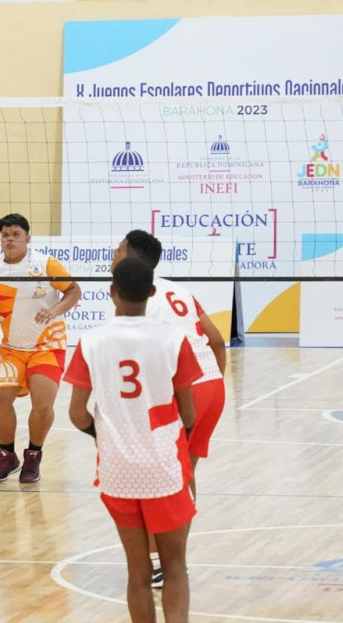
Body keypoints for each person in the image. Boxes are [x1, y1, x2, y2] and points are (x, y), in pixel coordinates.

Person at [64, 257, 203, 623]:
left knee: (137, 573)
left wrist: (104, 437)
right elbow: (188, 415)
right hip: (163, 469)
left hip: (117, 472)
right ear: (152, 293)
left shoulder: (91, 341)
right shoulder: (173, 339)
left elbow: (77, 414)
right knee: (175, 569)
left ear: (112, 294)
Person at [112, 229, 227, 587]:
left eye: (118, 249)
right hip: (211, 385)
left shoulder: (134, 297)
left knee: (158, 481)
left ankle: (163, 562)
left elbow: (140, 355)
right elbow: (217, 340)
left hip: (182, 392)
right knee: (184, 474)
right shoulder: (180, 290)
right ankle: (173, 559)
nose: (113, 254)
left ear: (130, 257)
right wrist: (213, 383)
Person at [0, 213, 81, 484]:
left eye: (16, 235)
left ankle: (33, 455)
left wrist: (53, 310)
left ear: (27, 238)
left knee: (43, 404)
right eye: (5, 235)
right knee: (0, 400)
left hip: (48, 344)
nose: (10, 240)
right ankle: (7, 456)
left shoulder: (45, 264)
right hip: (11, 347)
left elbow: (74, 291)